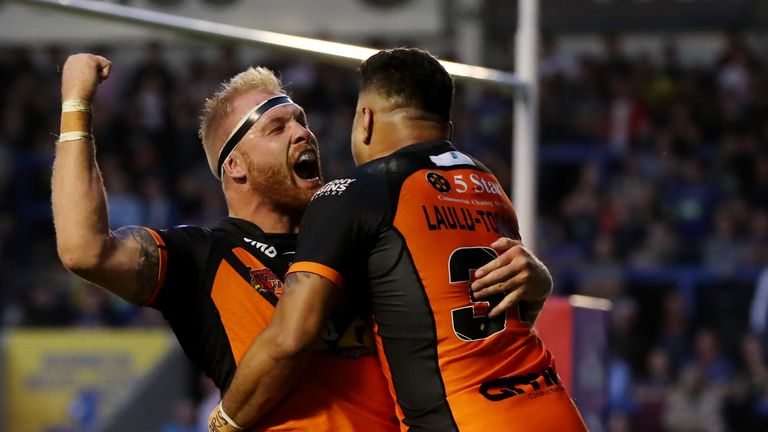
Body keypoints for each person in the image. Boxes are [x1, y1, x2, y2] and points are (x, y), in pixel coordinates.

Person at [51, 53, 552, 431]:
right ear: (235, 166)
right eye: (277, 127)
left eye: (301, 120)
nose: (303, 133)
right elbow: (84, 250)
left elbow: (464, 339)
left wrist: (531, 284)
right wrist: (77, 105)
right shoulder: (201, 256)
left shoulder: (365, 234)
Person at [217, 48, 588, 431]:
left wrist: (223, 421)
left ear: (366, 120)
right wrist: (541, 283)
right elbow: (502, 312)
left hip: (463, 419)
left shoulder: (353, 192)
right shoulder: (486, 183)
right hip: (555, 408)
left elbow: (290, 339)